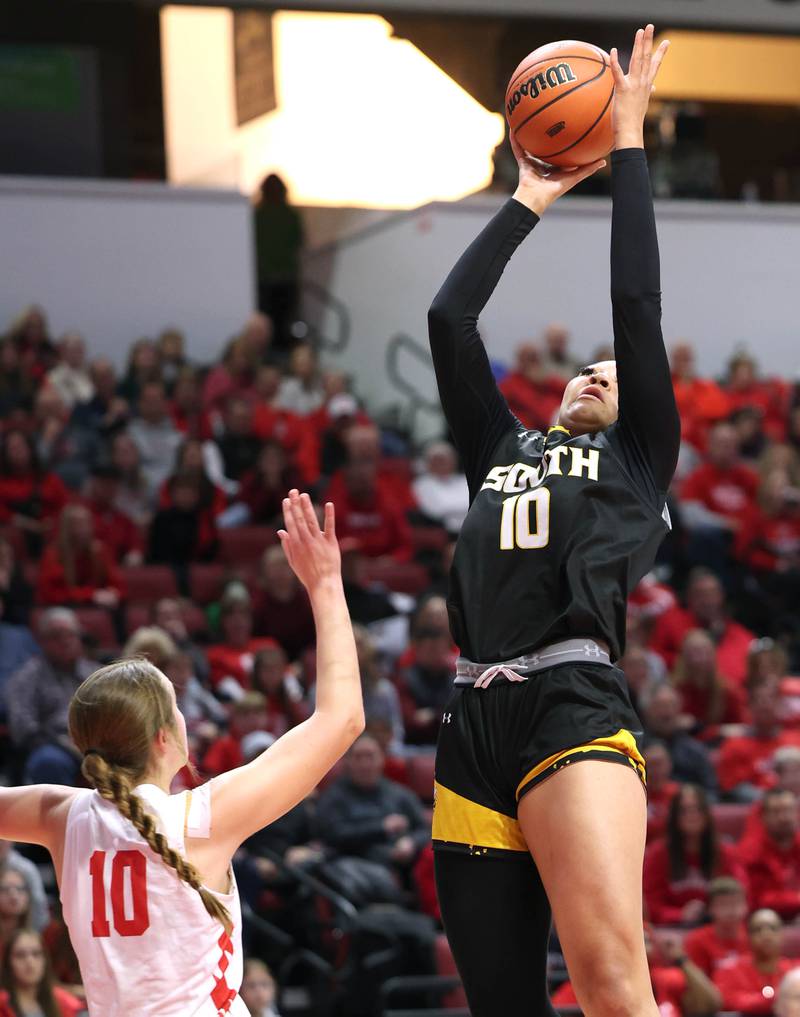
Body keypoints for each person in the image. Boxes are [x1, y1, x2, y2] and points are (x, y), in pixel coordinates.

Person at [427, 28, 676, 1017]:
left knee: (611, 988)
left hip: (570, 701)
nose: (590, 372)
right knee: (499, 1006)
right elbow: (451, 322)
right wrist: (528, 194)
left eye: (608, 376)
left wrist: (625, 143)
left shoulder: (634, 459)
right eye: (582, 367)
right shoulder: (503, 449)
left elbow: (636, 303)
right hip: (471, 718)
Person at [0, 490, 363, 1015]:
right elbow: (343, 718)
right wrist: (326, 584)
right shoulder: (200, 818)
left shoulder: (63, 817)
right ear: (163, 737)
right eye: (177, 707)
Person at [4, 608, 98, 785]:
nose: (65, 641)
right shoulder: (27, 677)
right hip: (53, 745)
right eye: (56, 636)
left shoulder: (95, 673)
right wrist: (64, 743)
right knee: (49, 762)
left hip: (96, 744)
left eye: (71, 634)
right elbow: (22, 727)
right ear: (42, 642)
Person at [316, 734, 429, 874]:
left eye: (370, 756)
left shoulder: (399, 794)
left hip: (402, 865)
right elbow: (332, 834)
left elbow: (425, 830)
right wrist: (381, 828)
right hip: (353, 863)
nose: (365, 764)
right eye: (358, 757)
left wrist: (411, 842)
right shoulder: (334, 796)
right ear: (347, 761)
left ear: (382, 759)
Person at [642, 784, 747, 925]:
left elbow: (740, 895)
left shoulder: (725, 852)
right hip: (673, 928)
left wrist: (715, 911)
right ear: (674, 817)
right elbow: (650, 904)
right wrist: (679, 915)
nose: (692, 816)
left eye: (697, 809)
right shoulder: (658, 854)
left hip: (716, 927)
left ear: (706, 814)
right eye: (684, 811)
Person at [714, 909, 798, 1015]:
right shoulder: (728, 971)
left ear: (782, 934)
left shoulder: (795, 971)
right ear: (748, 936)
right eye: (758, 929)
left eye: (773, 928)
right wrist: (779, 998)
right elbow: (727, 1001)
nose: (766, 934)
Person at [737, 787, 800, 920]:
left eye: (789, 810)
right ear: (764, 817)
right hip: (764, 923)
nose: (784, 817)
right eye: (776, 812)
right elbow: (758, 900)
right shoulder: (751, 852)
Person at [0, 928, 83, 1017]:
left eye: (36, 954)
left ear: (45, 960)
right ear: (8, 962)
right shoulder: (2, 1004)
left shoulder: (64, 1001)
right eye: (20, 955)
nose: (29, 961)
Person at [683, 876, 749, 979]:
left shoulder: (754, 936)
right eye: (724, 904)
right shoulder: (697, 940)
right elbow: (696, 984)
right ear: (710, 909)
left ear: (746, 906)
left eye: (736, 903)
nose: (732, 910)